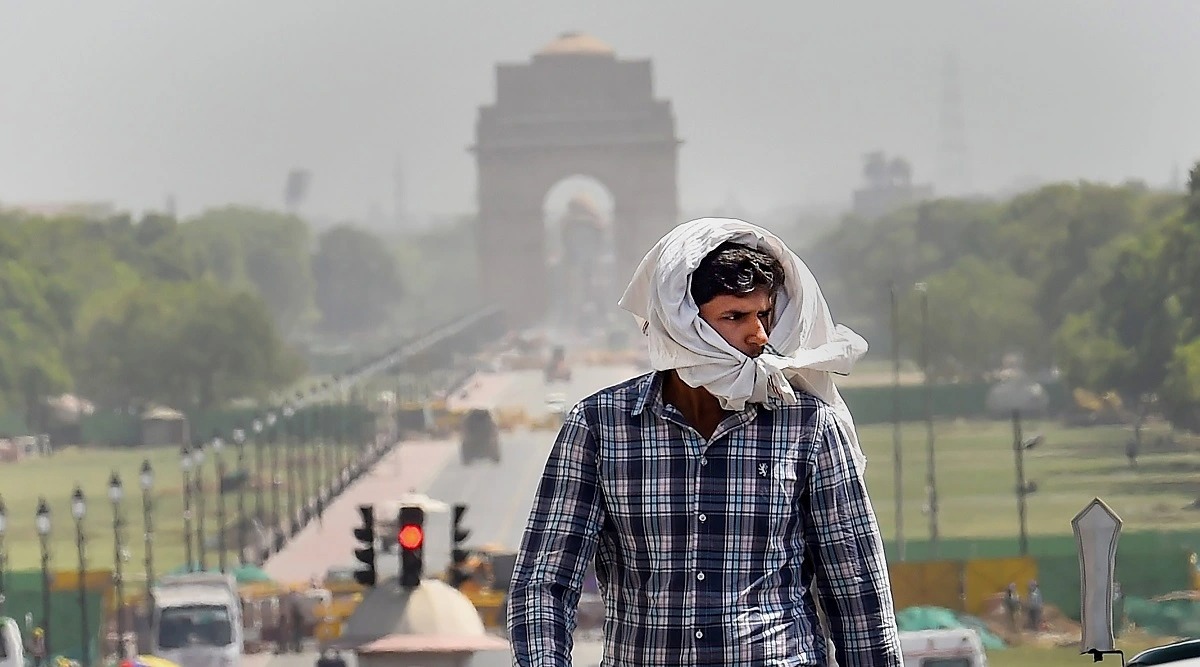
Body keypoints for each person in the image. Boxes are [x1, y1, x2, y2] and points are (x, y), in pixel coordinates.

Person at [507, 218, 903, 666]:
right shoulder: (601, 428)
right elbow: (544, 584)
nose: (758, 336)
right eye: (734, 317)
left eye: (764, 315)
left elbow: (857, 591)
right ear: (682, 325)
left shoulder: (807, 427)